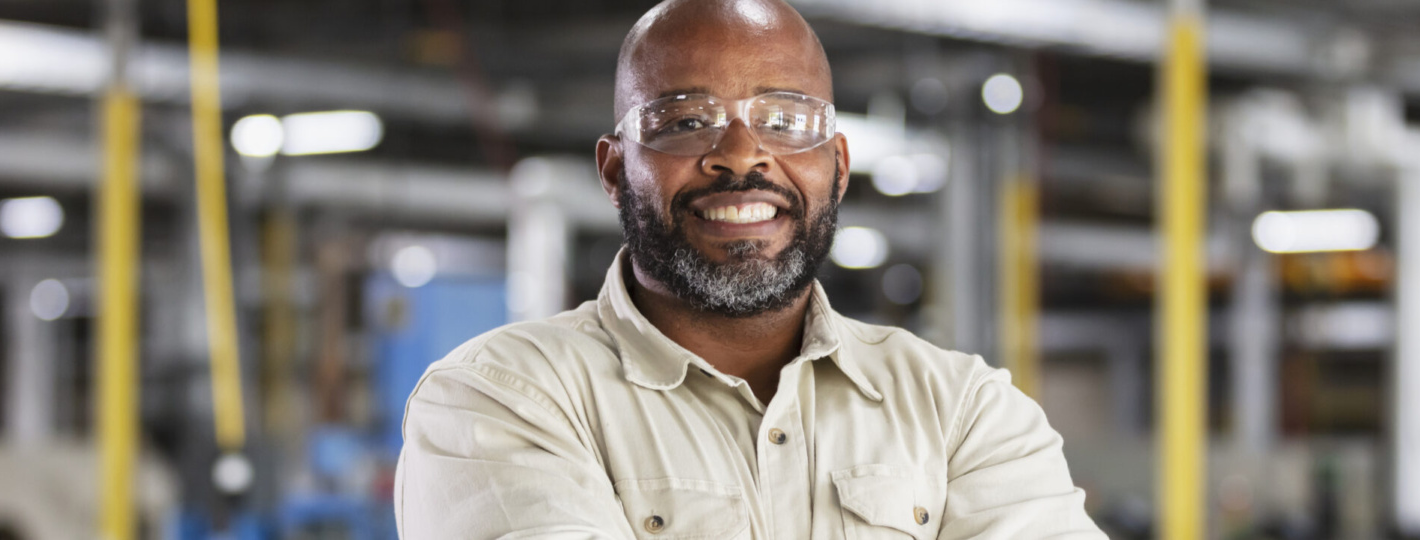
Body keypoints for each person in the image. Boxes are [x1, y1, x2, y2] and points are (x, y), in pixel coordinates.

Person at [394, 0, 1106, 537]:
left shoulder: (961, 410)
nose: (740, 153)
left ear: (839, 165)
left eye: (786, 121)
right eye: (682, 120)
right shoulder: (502, 399)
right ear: (615, 171)